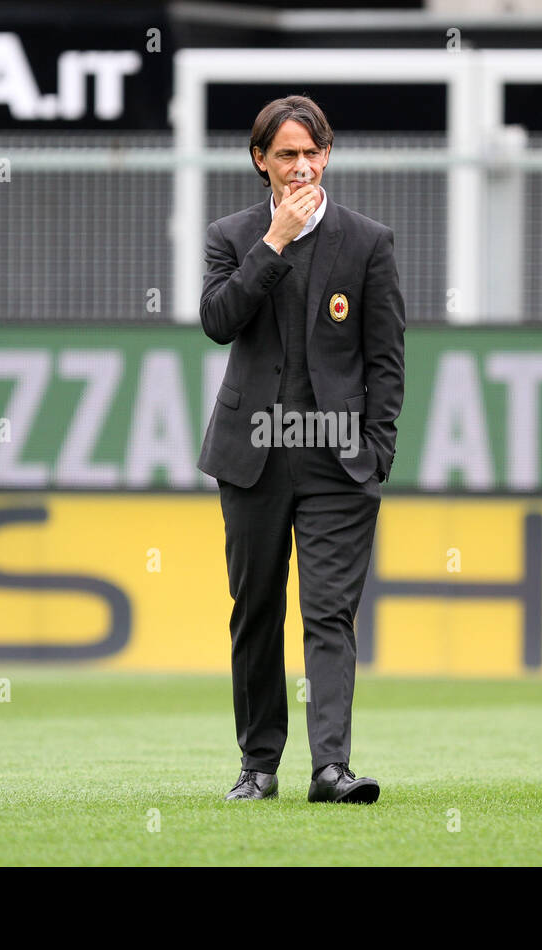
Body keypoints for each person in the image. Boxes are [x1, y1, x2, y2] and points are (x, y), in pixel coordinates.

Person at [196, 94, 406, 803]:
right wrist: (274, 244)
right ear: (261, 161)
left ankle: (331, 769)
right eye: (286, 154)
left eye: (312, 152)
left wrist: (378, 450)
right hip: (252, 454)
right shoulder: (232, 236)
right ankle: (258, 768)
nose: (301, 167)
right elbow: (219, 321)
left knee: (328, 613)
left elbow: (386, 359)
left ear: (328, 154)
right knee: (256, 609)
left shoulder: (367, 241)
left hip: (337, 460)